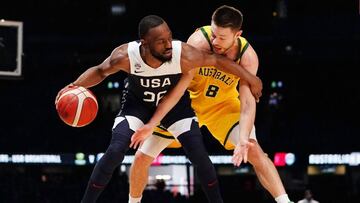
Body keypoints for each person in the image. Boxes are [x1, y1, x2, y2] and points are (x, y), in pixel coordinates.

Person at [55, 15, 263, 203]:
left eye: (169, 37)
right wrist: (75, 85)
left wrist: (251, 78)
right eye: (161, 41)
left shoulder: (182, 53)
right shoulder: (126, 56)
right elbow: (100, 71)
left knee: (199, 155)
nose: (168, 45)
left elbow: (218, 62)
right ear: (144, 43)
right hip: (139, 105)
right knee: (116, 151)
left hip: (173, 107)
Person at [129, 5, 294, 203]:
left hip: (222, 107)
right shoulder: (198, 42)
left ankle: (285, 201)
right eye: (214, 34)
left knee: (254, 150)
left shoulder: (248, 56)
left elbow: (248, 102)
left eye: (222, 38)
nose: (215, 41)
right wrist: (153, 122)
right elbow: (180, 86)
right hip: (186, 106)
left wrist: (242, 139)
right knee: (140, 158)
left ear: (238, 34)